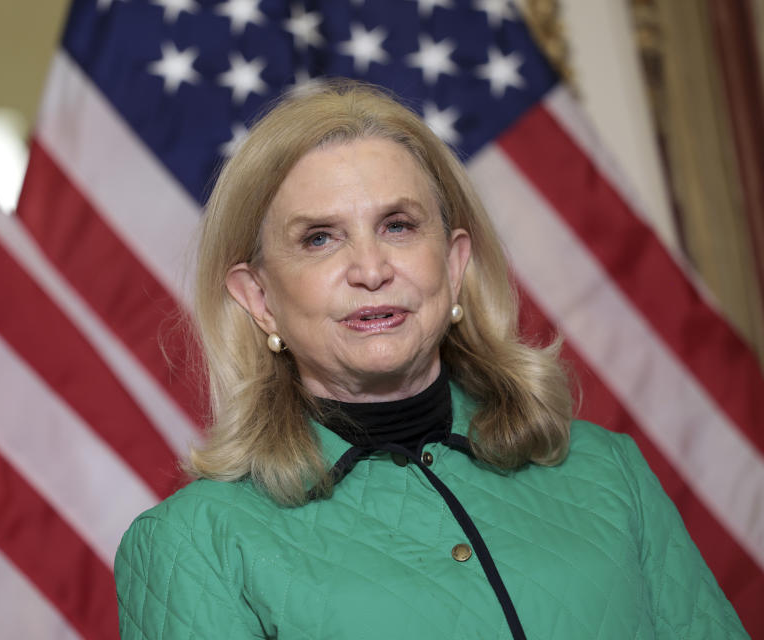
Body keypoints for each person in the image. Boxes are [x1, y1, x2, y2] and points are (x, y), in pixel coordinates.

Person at [114, 80, 748, 639]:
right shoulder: (196, 544)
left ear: (453, 263)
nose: (370, 269)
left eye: (398, 225)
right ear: (259, 299)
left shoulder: (611, 475)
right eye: (319, 238)